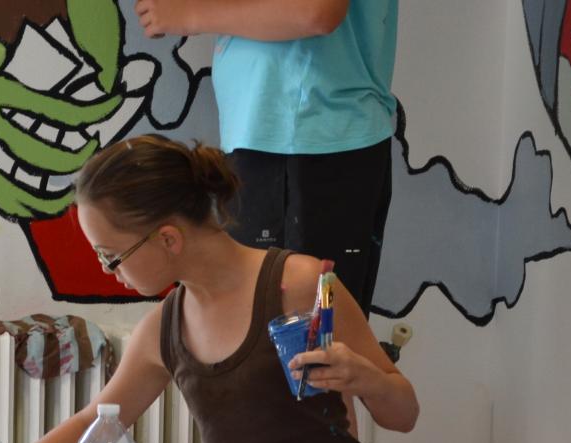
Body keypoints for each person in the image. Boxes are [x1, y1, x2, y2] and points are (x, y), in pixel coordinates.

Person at [7, 134, 434, 443]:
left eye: (112, 256)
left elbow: (403, 412)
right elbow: (93, 423)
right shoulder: (164, 327)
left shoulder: (298, 285)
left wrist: (366, 378)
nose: (108, 271)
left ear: (168, 239)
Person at [133, 0, 397, 315]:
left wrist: (188, 14)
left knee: (301, 333)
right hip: (290, 138)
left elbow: (314, 12)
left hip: (303, 141)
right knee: (283, 328)